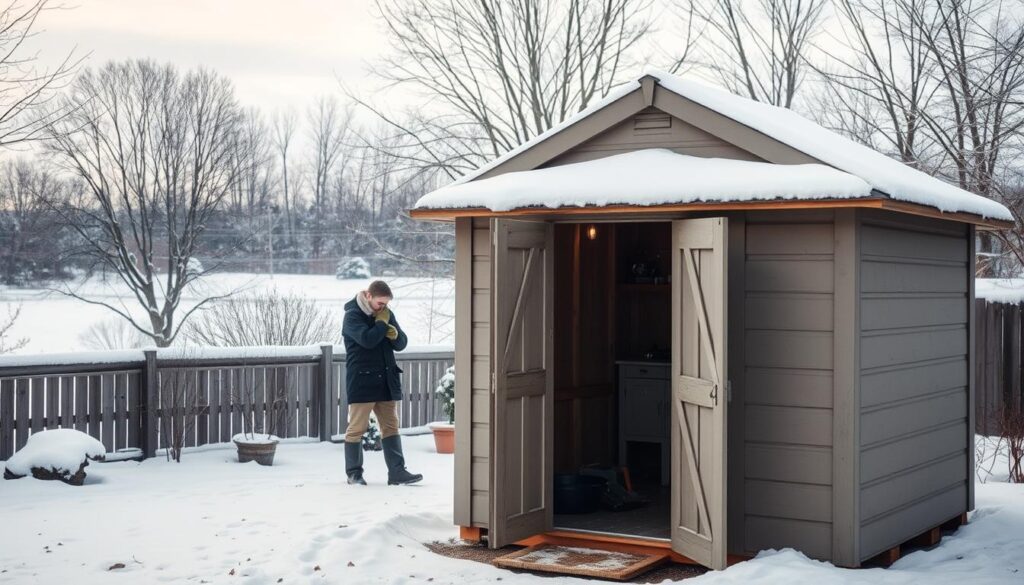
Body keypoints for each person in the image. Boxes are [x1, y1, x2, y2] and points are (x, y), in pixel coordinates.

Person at [341, 280, 423, 486]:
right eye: (380, 303)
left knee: (390, 426)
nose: (383, 307)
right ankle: (354, 474)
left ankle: (397, 472)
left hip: (386, 380)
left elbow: (402, 343)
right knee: (357, 428)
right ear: (368, 296)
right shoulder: (352, 316)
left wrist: (394, 335)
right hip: (362, 381)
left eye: (386, 304)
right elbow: (367, 340)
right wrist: (382, 324)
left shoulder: (385, 314)